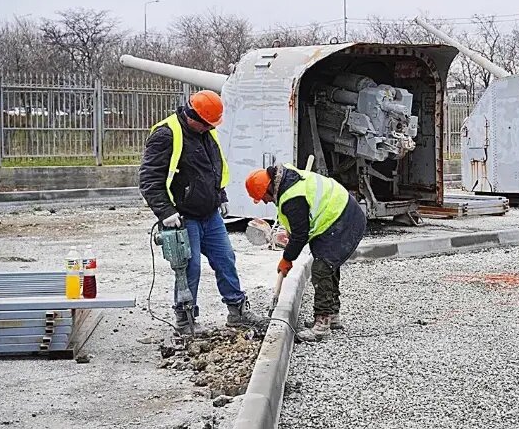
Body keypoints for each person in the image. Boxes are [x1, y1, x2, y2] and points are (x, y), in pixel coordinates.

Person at [139, 90, 265, 334]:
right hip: (183, 218)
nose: (210, 128)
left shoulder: (205, 132)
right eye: (207, 124)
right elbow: (148, 179)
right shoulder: (166, 135)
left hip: (210, 214)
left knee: (226, 259)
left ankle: (237, 310)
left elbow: (214, 167)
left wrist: (221, 195)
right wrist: (166, 211)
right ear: (194, 116)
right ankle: (185, 320)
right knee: (189, 267)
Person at [245, 163, 366, 341]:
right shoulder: (286, 178)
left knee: (322, 268)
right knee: (327, 263)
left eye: (264, 198)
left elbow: (300, 236)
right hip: (339, 215)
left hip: (344, 219)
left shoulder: (292, 196)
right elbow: (300, 221)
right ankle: (332, 315)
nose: (265, 201)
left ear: (268, 188)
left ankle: (322, 325)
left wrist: (287, 259)